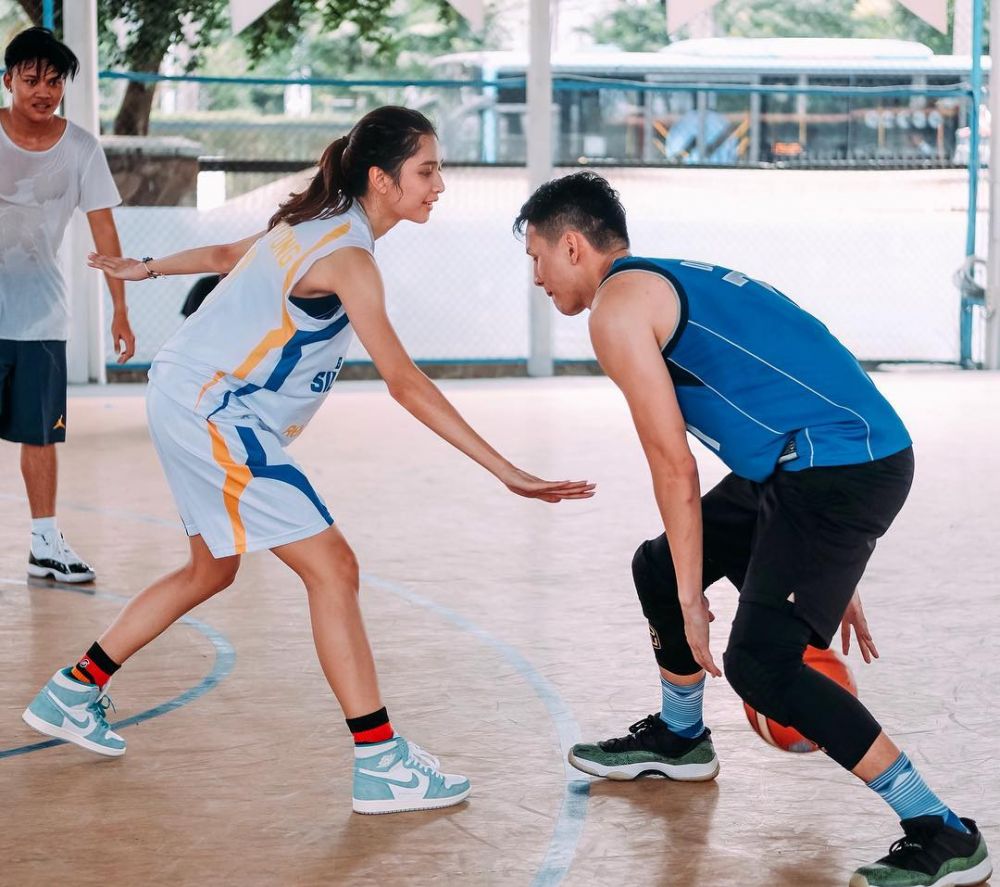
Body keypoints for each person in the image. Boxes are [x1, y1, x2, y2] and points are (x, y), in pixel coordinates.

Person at [21, 107, 595, 815]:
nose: (439, 183)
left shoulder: (317, 229)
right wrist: (507, 469)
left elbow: (230, 256)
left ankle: (74, 689)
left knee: (212, 566)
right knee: (334, 565)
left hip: (187, 393)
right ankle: (380, 759)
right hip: (215, 408)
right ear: (382, 179)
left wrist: (143, 267)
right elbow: (405, 381)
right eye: (427, 170)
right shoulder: (349, 256)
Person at [513, 171, 991, 887]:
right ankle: (681, 739)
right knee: (655, 563)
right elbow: (807, 360)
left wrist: (695, 599)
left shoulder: (616, 308)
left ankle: (942, 830)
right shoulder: (664, 281)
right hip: (810, 464)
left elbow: (672, 465)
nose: (538, 278)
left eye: (537, 259)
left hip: (835, 471)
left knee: (760, 665)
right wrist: (828, 562)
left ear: (573, 246)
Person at [1, 27, 136, 584]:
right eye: (31, 79)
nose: (43, 90)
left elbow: (104, 230)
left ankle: (43, 543)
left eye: (54, 81)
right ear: (8, 80)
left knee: (40, 434)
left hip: (40, 316)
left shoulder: (81, 147)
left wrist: (119, 308)